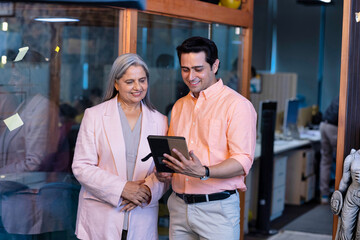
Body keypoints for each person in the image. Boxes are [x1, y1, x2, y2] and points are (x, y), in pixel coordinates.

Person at [156, 36, 257, 239]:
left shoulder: (237, 105)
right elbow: (176, 153)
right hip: (178, 206)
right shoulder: (179, 106)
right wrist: (167, 172)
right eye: (185, 69)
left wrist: (204, 171)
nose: (191, 76)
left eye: (198, 69)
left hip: (217, 210)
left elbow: (243, 161)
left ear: (215, 65)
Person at [72, 53, 168, 240]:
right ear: (116, 84)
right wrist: (123, 189)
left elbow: (165, 170)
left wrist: (146, 191)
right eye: (129, 82)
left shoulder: (160, 120)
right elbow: (81, 166)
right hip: (101, 216)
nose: (138, 87)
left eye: (142, 80)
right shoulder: (94, 116)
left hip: (142, 214)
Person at [319, 96, 339, 204]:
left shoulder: (339, 95)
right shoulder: (349, 95)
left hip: (323, 125)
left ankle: (324, 195)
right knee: (342, 160)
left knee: (325, 161)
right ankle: (340, 196)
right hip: (333, 128)